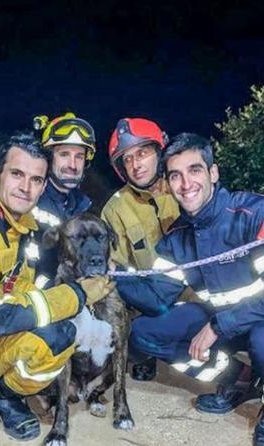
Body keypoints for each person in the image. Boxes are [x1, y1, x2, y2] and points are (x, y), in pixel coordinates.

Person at [117, 133, 264, 446]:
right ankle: (241, 377)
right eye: (175, 175)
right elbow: (155, 297)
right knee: (145, 333)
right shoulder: (177, 238)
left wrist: (218, 326)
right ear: (167, 183)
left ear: (213, 173)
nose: (185, 183)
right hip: (229, 322)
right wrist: (112, 277)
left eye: (194, 170)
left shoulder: (258, 213)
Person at [0, 132, 113, 446]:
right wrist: (75, 294)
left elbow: (26, 297)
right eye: (17, 174)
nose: (26, 187)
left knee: (58, 337)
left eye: (36, 179)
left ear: (44, 186)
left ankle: (3, 394)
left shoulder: (24, 232)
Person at [100, 117, 180, 381]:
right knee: (138, 331)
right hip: (155, 299)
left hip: (202, 295)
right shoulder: (115, 209)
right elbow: (115, 269)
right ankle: (146, 352)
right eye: (127, 159)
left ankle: (239, 374)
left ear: (160, 151)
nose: (135, 165)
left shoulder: (185, 186)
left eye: (142, 152)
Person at [28, 112, 95, 288]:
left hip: (71, 299)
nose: (72, 165)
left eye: (79, 156)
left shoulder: (83, 209)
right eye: (64, 154)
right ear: (49, 158)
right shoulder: (27, 197)